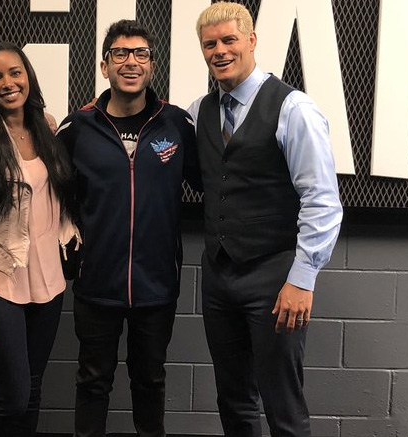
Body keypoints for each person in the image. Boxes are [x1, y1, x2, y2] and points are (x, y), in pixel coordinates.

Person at [186, 3, 343, 436]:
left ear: (251, 40)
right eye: (210, 44)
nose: (219, 51)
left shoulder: (294, 108)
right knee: (233, 401)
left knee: (283, 405)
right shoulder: (199, 110)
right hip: (219, 277)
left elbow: (322, 200)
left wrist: (302, 278)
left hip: (275, 277)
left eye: (229, 40)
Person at [56, 20, 200, 437]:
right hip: (96, 283)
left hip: (156, 286)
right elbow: (42, 183)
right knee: (93, 381)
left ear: (152, 65)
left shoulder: (176, 125)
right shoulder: (78, 128)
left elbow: (218, 181)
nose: (131, 62)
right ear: (105, 66)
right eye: (120, 54)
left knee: (150, 381)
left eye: (140, 54)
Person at [0, 41, 79, 437]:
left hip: (48, 283)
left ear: (28, 77)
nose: (8, 83)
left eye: (15, 73)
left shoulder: (48, 127)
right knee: (13, 398)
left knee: (34, 392)